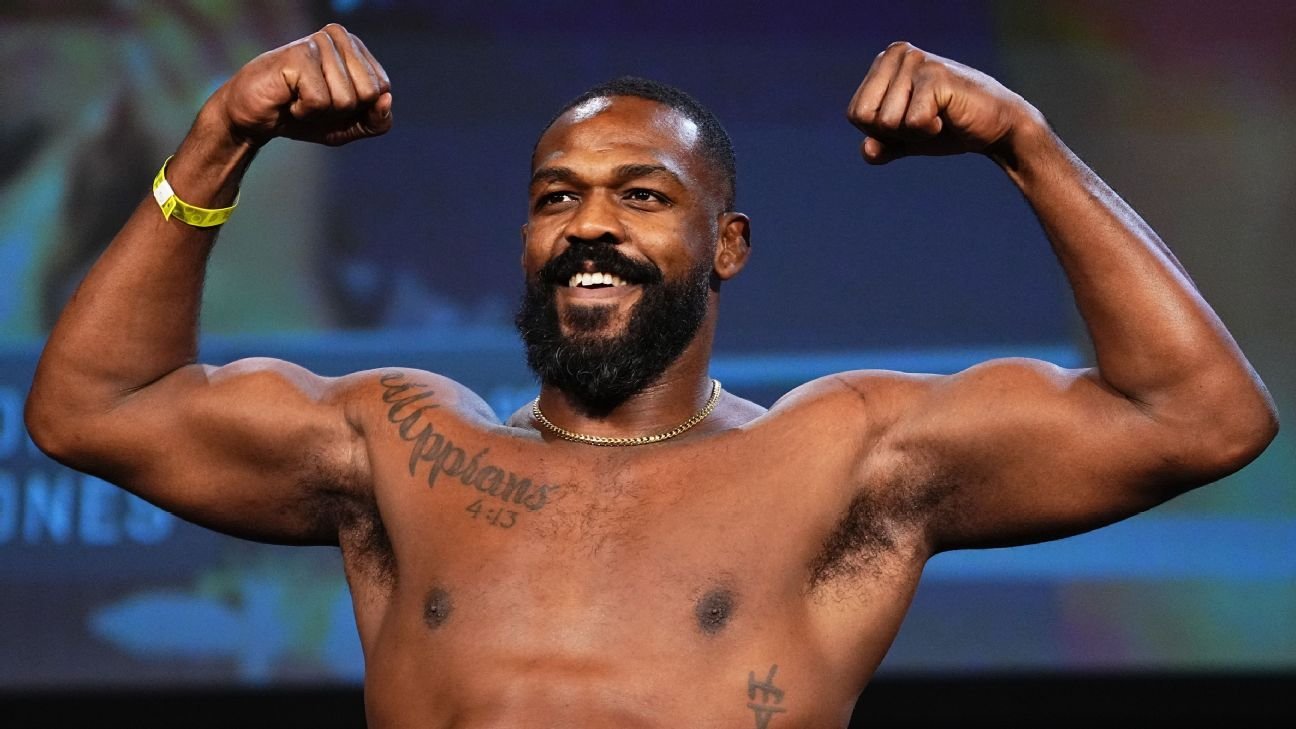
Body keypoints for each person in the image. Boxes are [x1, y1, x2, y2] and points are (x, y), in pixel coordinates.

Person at [25, 24, 1277, 728]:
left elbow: (1200, 417)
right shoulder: (402, 449)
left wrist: (1025, 141)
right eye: (555, 197)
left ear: (727, 246)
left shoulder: (841, 457)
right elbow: (93, 409)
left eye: (642, 196)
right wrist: (220, 138)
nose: (588, 224)